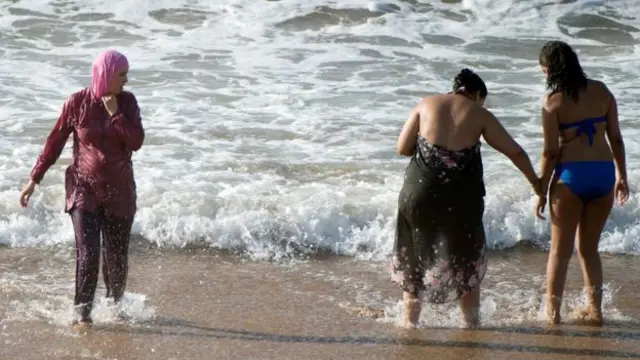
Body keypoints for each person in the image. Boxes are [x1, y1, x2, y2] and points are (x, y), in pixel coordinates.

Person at [390, 68, 541, 328]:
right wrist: (537, 184)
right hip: (460, 199)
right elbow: (514, 152)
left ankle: (409, 324)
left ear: (455, 87)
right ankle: (471, 325)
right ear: (477, 95)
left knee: (416, 255)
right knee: (465, 256)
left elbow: (402, 148)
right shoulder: (480, 114)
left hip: (419, 193)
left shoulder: (425, 104)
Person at [19, 49, 144, 329]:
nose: (126, 80)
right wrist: (33, 179)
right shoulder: (77, 102)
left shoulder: (127, 103)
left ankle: (115, 308)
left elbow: (136, 142)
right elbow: (54, 142)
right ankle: (82, 316)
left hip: (120, 192)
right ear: (107, 74)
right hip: (83, 190)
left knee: (116, 260)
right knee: (88, 253)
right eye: (122, 74)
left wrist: (116, 116)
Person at [534, 41, 629, 326]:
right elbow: (617, 138)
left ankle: (553, 316)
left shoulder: (552, 102)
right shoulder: (602, 91)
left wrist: (541, 188)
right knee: (589, 250)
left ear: (550, 70)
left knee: (559, 253)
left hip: (570, 178)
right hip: (603, 176)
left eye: (544, 71)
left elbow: (550, 152)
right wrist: (622, 176)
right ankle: (595, 310)